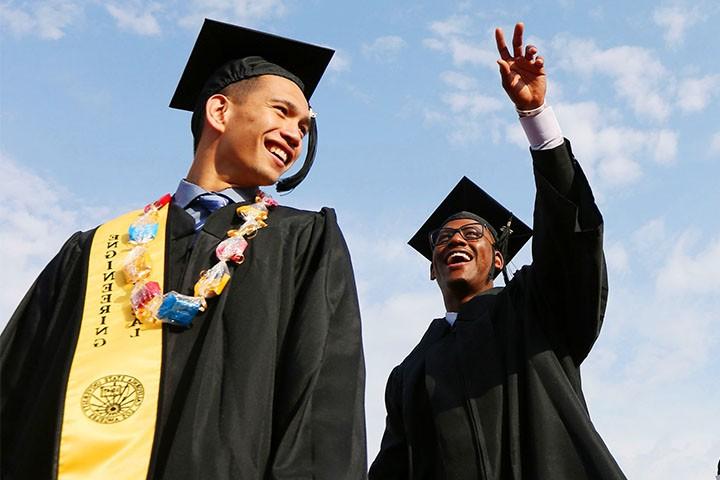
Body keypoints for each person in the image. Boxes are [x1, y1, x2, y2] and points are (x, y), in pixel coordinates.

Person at [1, 19, 366, 480]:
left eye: (303, 126)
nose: (295, 134)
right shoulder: (96, 251)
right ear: (219, 111)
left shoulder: (304, 241)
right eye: (281, 111)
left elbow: (322, 409)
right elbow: (15, 392)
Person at [368, 22, 626, 479]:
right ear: (432, 268)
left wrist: (536, 118)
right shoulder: (408, 374)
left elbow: (570, 243)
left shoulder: (536, 311)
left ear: (500, 258)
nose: (455, 241)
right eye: (443, 239)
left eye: (472, 234)